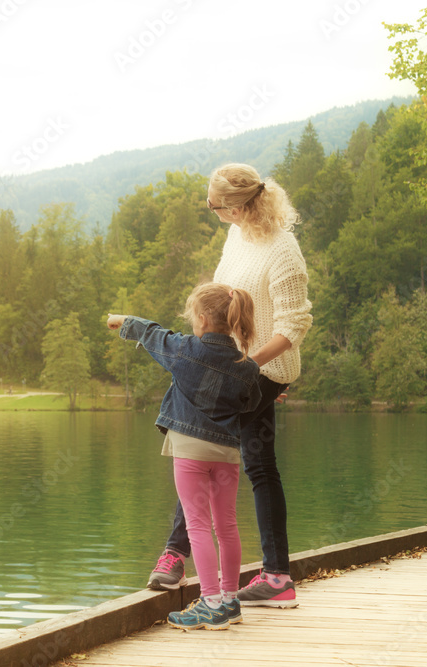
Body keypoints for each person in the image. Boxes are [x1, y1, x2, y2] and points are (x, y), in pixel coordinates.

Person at [147, 163, 313, 608]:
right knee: (218, 452)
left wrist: (247, 364)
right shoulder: (237, 235)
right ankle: (265, 574)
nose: (212, 211)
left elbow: (295, 325)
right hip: (228, 366)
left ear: (238, 205)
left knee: (240, 460)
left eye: (215, 204)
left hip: (260, 372)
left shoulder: (284, 250)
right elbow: (223, 298)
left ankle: (184, 556)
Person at [108, 283, 261, 630]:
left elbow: (153, 335)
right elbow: (250, 405)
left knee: (197, 525)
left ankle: (209, 602)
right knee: (226, 526)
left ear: (204, 319)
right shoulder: (247, 367)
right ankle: (230, 601)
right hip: (226, 454)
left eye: (194, 317)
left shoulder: (184, 351)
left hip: (190, 453)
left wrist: (123, 321)